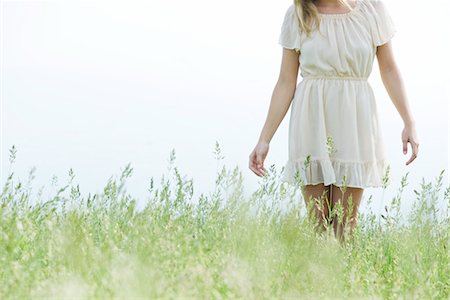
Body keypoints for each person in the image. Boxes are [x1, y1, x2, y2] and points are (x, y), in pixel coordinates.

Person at [248, 0, 419, 242]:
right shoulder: (298, 14)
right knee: (318, 224)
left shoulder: (372, 10)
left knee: (345, 225)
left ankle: (346, 279)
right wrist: (264, 139)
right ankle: (316, 279)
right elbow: (286, 81)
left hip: (354, 120)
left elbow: (389, 69)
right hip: (311, 120)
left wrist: (408, 121)